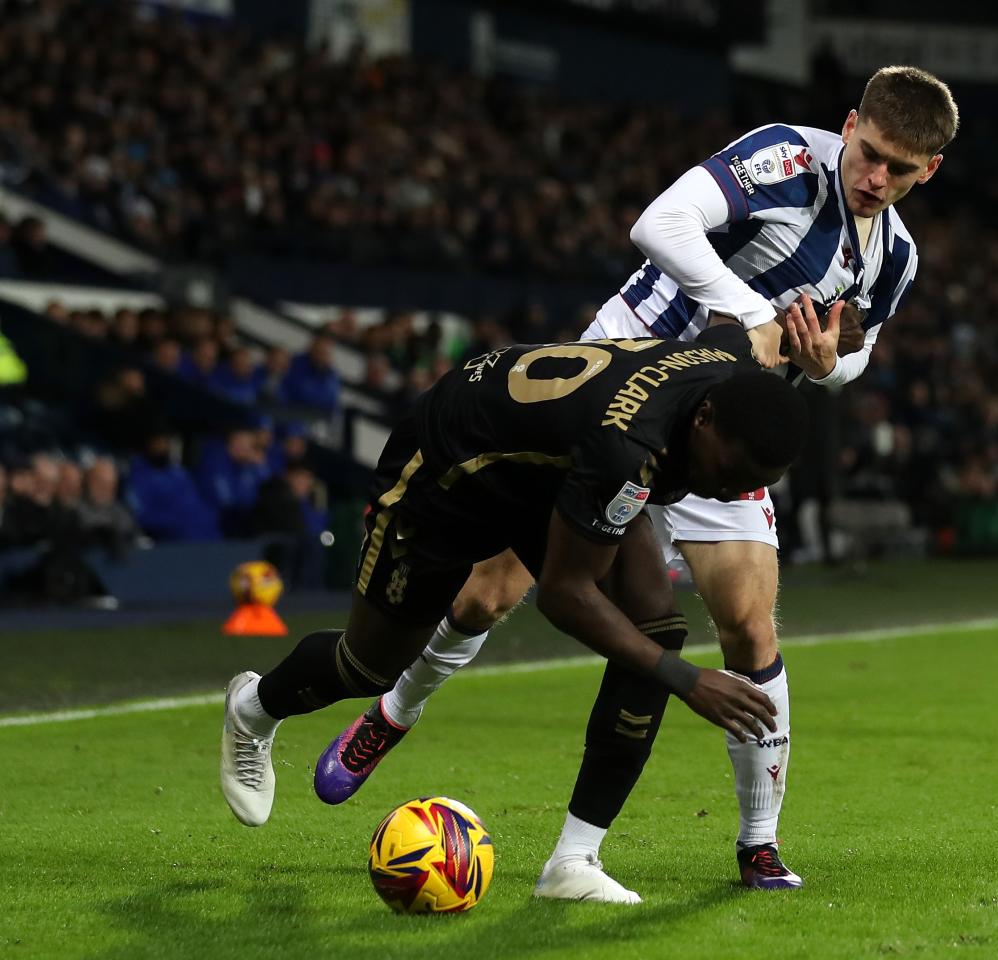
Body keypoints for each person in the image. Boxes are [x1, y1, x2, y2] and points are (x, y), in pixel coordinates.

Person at [314, 64, 959, 899]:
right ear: (849, 125)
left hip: (722, 444)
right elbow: (660, 223)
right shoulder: (784, 162)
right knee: (486, 594)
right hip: (627, 387)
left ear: (928, 171)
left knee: (750, 629)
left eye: (899, 170)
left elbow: (858, 346)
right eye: (869, 154)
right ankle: (393, 715)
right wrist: (754, 315)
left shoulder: (895, 255)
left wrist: (829, 363)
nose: (876, 178)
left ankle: (746, 845)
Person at [221, 320, 810, 831]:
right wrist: (687, 681)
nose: (732, 492)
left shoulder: (724, 371)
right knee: (368, 665)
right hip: (444, 473)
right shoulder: (626, 451)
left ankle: (575, 859)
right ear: (704, 418)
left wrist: (823, 342)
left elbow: (734, 329)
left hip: (538, 466)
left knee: (652, 626)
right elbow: (563, 595)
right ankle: (253, 710)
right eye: (731, 472)